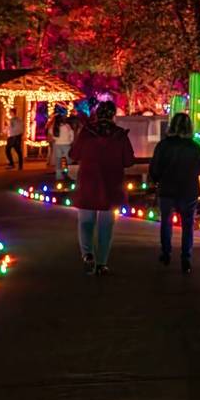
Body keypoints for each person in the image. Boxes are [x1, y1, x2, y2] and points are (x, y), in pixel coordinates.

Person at [68, 101, 134, 275]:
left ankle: (87, 254)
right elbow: (128, 160)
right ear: (113, 115)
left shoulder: (87, 133)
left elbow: (74, 154)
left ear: (97, 114)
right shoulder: (119, 135)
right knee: (106, 226)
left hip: (89, 183)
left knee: (85, 222)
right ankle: (102, 263)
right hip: (111, 185)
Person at [149, 112, 200, 274]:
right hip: (188, 190)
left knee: (166, 222)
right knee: (188, 225)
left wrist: (157, 179)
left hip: (167, 189)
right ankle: (186, 258)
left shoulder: (163, 146)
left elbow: (155, 168)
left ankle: (166, 252)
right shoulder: (194, 147)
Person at [49, 109, 75, 180]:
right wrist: (71, 141)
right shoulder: (67, 126)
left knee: (58, 159)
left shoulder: (54, 127)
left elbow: (51, 135)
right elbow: (71, 133)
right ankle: (70, 174)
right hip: (66, 144)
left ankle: (58, 175)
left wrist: (56, 139)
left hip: (58, 145)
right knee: (69, 160)